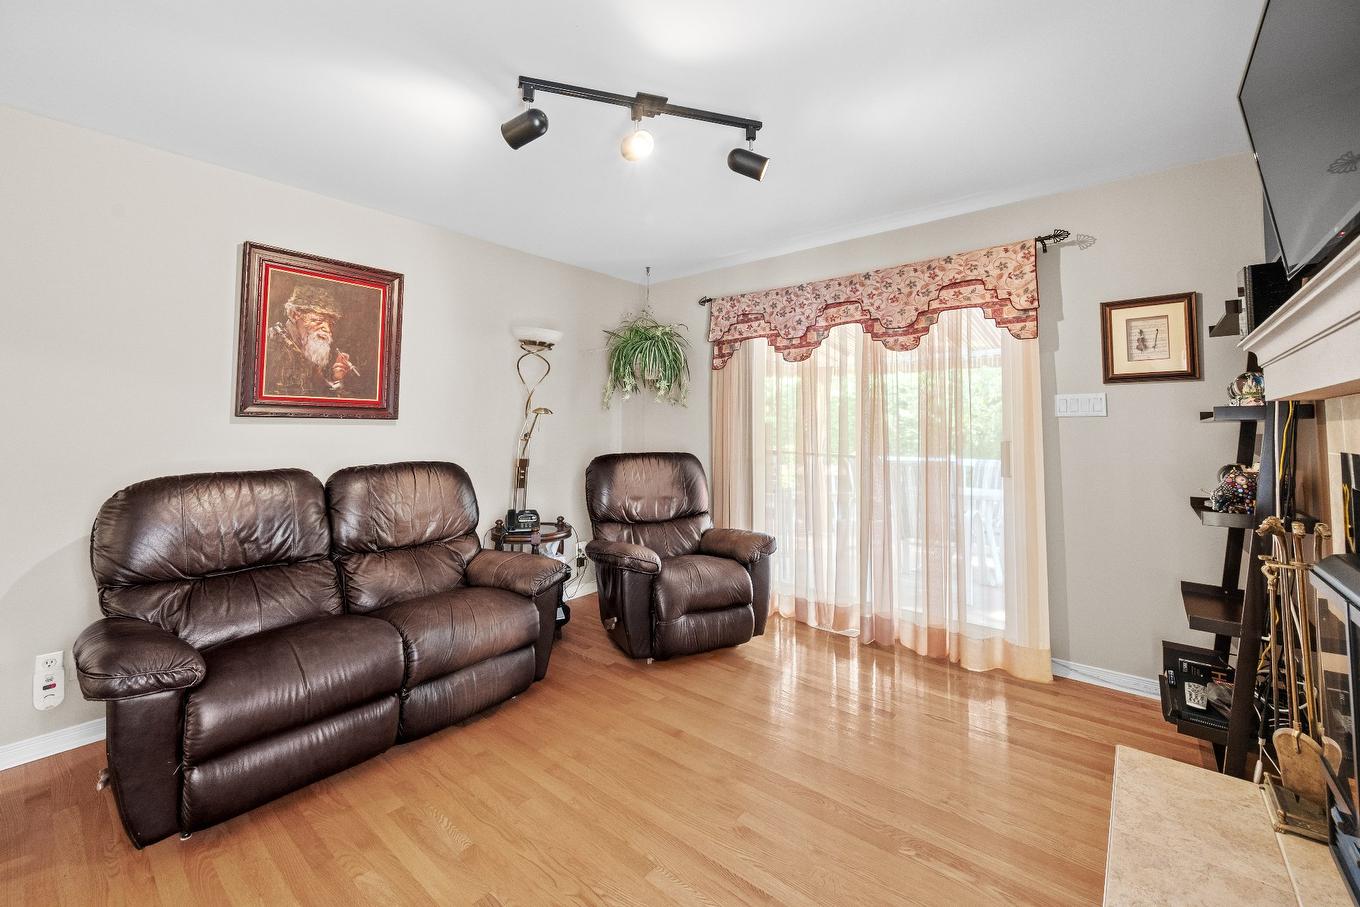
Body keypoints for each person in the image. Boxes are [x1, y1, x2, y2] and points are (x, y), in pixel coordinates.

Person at [262, 285, 362, 398]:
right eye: (318, 321)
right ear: (295, 315)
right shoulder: (270, 345)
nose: (327, 330)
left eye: (330, 324)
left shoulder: (306, 351)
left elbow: (320, 395)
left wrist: (336, 379)